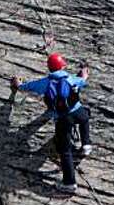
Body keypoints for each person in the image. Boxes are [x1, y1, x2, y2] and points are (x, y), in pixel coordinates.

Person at [10, 51, 91, 195]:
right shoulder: (71, 78)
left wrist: (18, 84)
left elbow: (28, 86)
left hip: (62, 118)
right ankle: (86, 145)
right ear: (62, 66)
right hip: (77, 112)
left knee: (64, 150)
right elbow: (83, 80)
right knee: (85, 118)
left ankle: (70, 184)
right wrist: (84, 71)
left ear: (50, 68)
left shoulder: (46, 82)